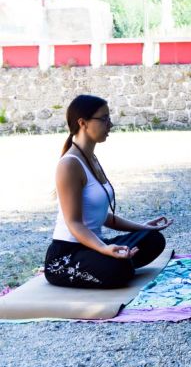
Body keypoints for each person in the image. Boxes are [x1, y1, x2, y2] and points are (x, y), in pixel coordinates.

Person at [44, 95, 174, 289]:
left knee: (153, 238)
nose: (110, 124)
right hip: (67, 254)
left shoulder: (91, 159)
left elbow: (102, 216)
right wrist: (104, 249)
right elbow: (74, 223)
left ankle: (118, 260)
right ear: (83, 123)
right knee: (118, 269)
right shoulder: (70, 164)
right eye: (104, 119)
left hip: (93, 245)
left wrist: (141, 227)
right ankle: (118, 262)